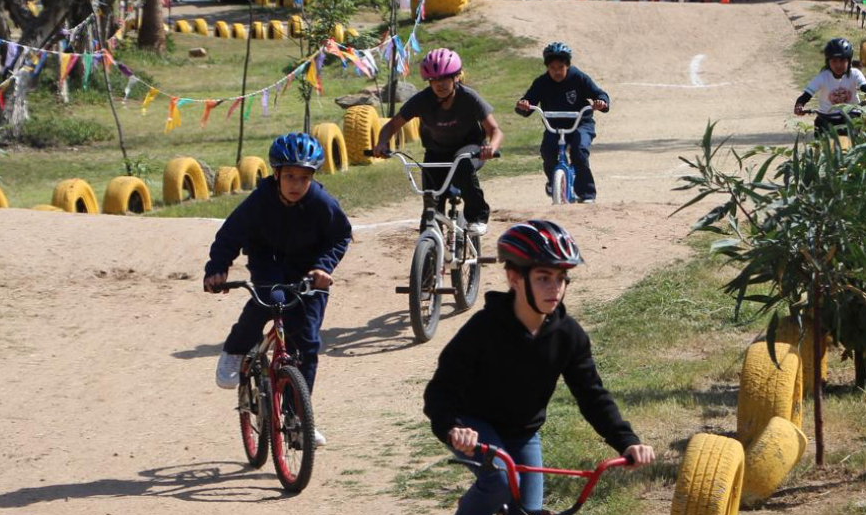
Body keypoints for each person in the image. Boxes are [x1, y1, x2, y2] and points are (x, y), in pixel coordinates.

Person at [420, 220, 656, 515]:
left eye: (561, 279)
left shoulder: (568, 336)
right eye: (543, 278)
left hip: (523, 435)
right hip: (475, 427)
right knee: (498, 479)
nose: (555, 289)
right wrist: (453, 427)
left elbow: (593, 396)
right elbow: (440, 391)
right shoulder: (484, 329)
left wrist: (628, 442)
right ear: (515, 278)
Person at [203, 132, 352, 446]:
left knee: (307, 340)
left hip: (310, 270)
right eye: (289, 177)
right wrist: (217, 269)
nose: (296, 184)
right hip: (268, 261)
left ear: (313, 178)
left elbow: (341, 236)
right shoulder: (259, 202)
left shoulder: (321, 203)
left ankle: (298, 420)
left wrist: (324, 267)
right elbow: (229, 235)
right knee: (272, 299)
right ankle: (235, 349)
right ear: (276, 175)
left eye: (303, 178)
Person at [373, 48, 504, 238]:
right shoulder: (421, 100)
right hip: (436, 152)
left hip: (471, 149)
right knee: (431, 203)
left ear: (456, 78)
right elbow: (392, 125)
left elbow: (495, 130)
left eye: (445, 78)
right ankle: (429, 249)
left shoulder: (469, 98)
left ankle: (478, 216)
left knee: (463, 163)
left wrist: (491, 147)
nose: (440, 84)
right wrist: (382, 143)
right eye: (434, 80)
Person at [515, 42, 609, 203]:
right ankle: (553, 182)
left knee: (579, 152)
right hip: (555, 127)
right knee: (548, 151)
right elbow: (528, 103)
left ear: (567, 65)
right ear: (547, 68)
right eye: (552, 68)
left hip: (580, 123)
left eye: (560, 67)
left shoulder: (578, 77)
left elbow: (599, 94)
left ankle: (586, 194)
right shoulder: (541, 83)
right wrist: (523, 105)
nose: (557, 72)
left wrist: (601, 102)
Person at [793, 37, 866, 135]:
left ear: (849, 61)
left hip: (851, 115)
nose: (838, 65)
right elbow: (806, 95)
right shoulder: (823, 77)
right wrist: (799, 105)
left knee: (854, 138)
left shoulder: (855, 74)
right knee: (820, 138)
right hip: (826, 117)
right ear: (828, 62)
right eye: (834, 61)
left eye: (842, 60)